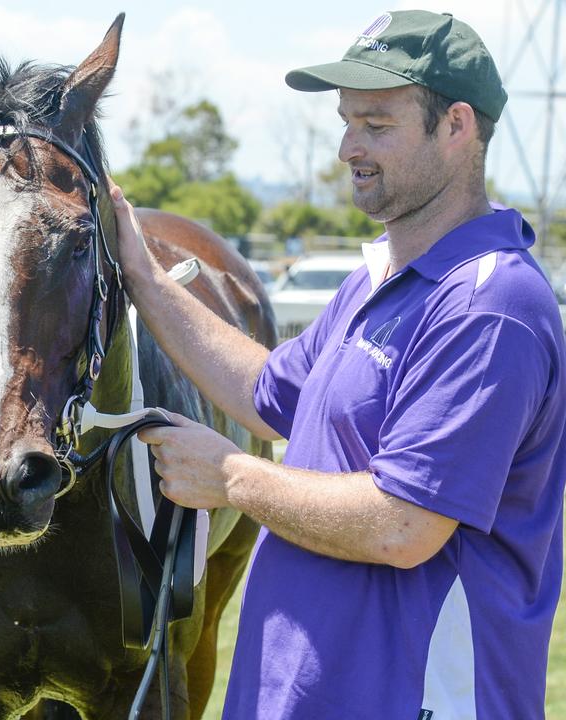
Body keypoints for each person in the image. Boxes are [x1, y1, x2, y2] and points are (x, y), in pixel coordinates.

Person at [110, 10, 565, 719]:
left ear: (458, 127)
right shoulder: (382, 276)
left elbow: (403, 526)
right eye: (346, 121)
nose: (350, 147)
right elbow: (266, 391)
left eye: (377, 124)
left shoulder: (489, 304)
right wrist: (143, 275)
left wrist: (231, 477)